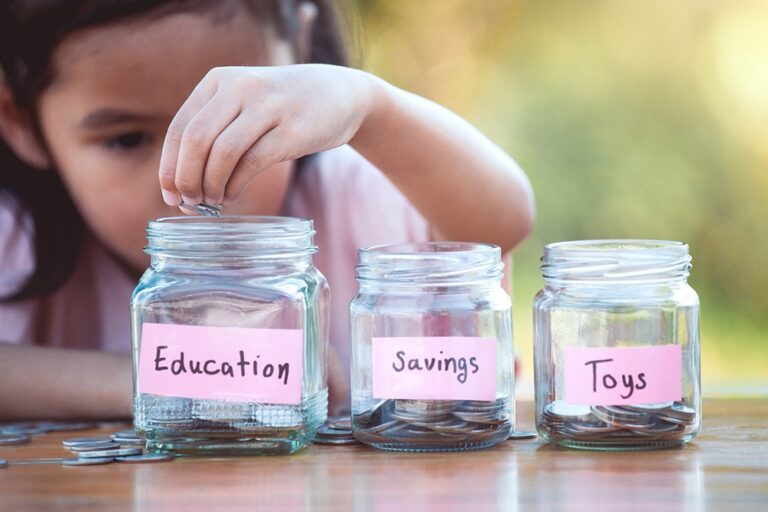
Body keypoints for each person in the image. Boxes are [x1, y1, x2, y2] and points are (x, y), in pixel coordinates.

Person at [0, 0, 534, 419]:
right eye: (127, 139)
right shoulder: (21, 236)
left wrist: (369, 106)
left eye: (239, 126)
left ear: (299, 48)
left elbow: (500, 223)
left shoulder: (356, 192)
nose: (192, 178)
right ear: (21, 121)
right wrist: (175, 375)